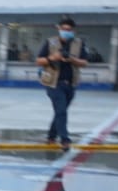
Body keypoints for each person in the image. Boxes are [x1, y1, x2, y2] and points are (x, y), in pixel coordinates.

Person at [35, 18, 88, 150]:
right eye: (64, 29)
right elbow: (39, 61)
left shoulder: (79, 43)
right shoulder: (50, 42)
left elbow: (85, 63)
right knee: (61, 111)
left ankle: (51, 137)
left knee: (60, 112)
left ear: (73, 31)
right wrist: (52, 58)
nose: (66, 32)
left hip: (70, 83)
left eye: (69, 30)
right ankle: (65, 140)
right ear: (58, 29)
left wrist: (72, 59)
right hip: (53, 83)